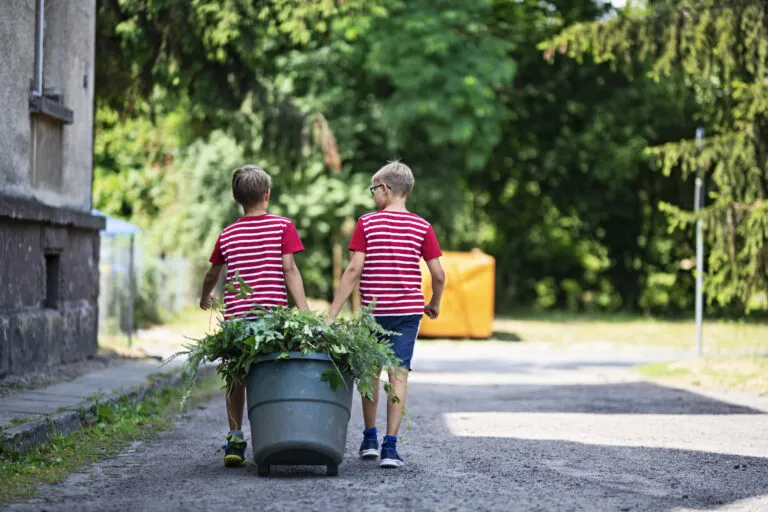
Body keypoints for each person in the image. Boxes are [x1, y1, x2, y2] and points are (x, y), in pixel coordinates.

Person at [328, 160, 446, 468]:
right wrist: (434, 303)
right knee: (398, 375)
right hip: (408, 313)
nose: (372, 197)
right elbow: (439, 274)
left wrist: (332, 313)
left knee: (369, 373)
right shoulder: (423, 227)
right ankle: (390, 448)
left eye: (373, 190)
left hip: (373, 312)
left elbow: (354, 269)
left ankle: (369, 439)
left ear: (384, 189)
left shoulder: (367, 223)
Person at [199, 164, 308, 467]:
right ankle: (274, 436)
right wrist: (304, 312)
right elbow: (289, 269)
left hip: (237, 322)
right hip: (273, 320)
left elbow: (212, 274)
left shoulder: (227, 234)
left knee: (236, 378)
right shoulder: (283, 226)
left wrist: (205, 296)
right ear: (267, 194)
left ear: (237, 199)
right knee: (274, 373)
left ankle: (235, 439)